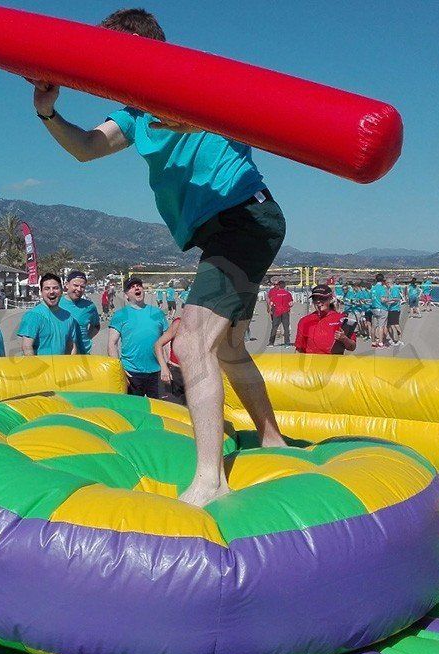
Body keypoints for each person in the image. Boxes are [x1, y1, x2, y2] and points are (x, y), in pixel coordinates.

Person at [32, 7, 289, 504]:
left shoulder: (200, 77)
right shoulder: (133, 114)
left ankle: (210, 481)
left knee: (191, 343)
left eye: (110, 56)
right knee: (227, 348)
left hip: (246, 217)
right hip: (219, 233)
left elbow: (246, 112)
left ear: (138, 47)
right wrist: (48, 112)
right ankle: (273, 440)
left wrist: (185, 117)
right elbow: (85, 147)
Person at [109, 277, 168, 398]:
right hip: (131, 372)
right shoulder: (120, 315)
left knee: (157, 407)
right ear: (126, 295)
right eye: (132, 287)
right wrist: (119, 370)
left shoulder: (157, 313)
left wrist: (166, 365)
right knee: (133, 408)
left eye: (139, 285)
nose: (136, 288)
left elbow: (167, 341)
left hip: (157, 371)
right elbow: (112, 344)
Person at [18, 273, 79, 356]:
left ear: (61, 291)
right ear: (41, 292)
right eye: (47, 288)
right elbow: (27, 347)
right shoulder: (33, 315)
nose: (51, 292)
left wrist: (71, 362)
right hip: (40, 364)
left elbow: (71, 346)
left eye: (55, 288)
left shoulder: (68, 316)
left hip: (61, 364)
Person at [295, 285, 356, 355]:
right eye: (315, 298)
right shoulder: (304, 321)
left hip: (334, 361)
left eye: (322, 298)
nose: (318, 301)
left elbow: (352, 347)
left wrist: (344, 339)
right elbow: (299, 349)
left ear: (330, 299)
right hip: (311, 361)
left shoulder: (341, 319)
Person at [59, 270, 100, 355]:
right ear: (67, 285)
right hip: (61, 355)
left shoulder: (89, 306)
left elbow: (96, 326)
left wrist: (87, 338)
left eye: (82, 287)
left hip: (83, 354)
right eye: (75, 285)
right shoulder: (57, 304)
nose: (79, 289)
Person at [154, 316, 185, 402]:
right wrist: (164, 368)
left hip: (193, 375)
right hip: (174, 373)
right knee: (171, 406)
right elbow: (158, 344)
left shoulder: (206, 327)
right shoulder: (179, 323)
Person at [267, 279, 293, 346]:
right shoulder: (288, 293)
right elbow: (291, 304)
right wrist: (287, 306)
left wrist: (271, 309)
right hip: (285, 312)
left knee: (274, 327)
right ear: (284, 286)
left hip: (277, 312)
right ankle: (287, 343)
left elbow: (271, 303)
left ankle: (271, 343)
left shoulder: (275, 293)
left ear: (278, 286)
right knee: (286, 328)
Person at [369, 274, 390, 348]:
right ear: (383, 280)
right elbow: (383, 300)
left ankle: (373, 342)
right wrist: (389, 300)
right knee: (381, 326)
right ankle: (381, 343)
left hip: (374, 308)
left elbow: (371, 299)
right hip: (381, 308)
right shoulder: (382, 288)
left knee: (373, 326)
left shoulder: (373, 288)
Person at [385, 278, 404, 346]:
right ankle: (392, 339)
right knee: (389, 325)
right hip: (390, 309)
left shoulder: (394, 289)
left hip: (395, 309)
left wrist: (387, 302)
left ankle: (400, 340)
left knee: (396, 325)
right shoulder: (390, 290)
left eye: (386, 284)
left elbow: (396, 299)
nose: (386, 285)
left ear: (389, 283)